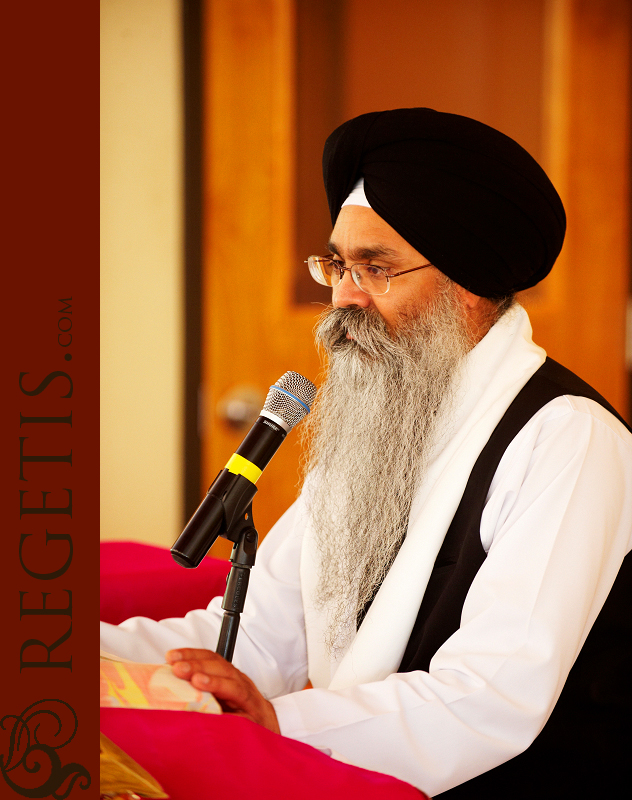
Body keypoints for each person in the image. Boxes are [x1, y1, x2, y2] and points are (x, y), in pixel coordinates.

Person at [100, 108, 632, 797]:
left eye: (376, 268)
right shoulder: (384, 417)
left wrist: (279, 723)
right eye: (336, 265)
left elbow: (491, 696)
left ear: (468, 284)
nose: (342, 299)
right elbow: (261, 636)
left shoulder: (569, 438)